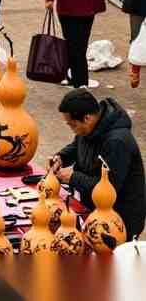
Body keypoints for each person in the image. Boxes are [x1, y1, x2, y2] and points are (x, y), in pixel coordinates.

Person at [52, 88, 145, 241]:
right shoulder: (89, 129)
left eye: (72, 125)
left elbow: (108, 189)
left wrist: (73, 178)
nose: (72, 129)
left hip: (119, 220)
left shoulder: (117, 142)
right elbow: (77, 146)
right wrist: (61, 157)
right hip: (93, 211)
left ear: (87, 118)